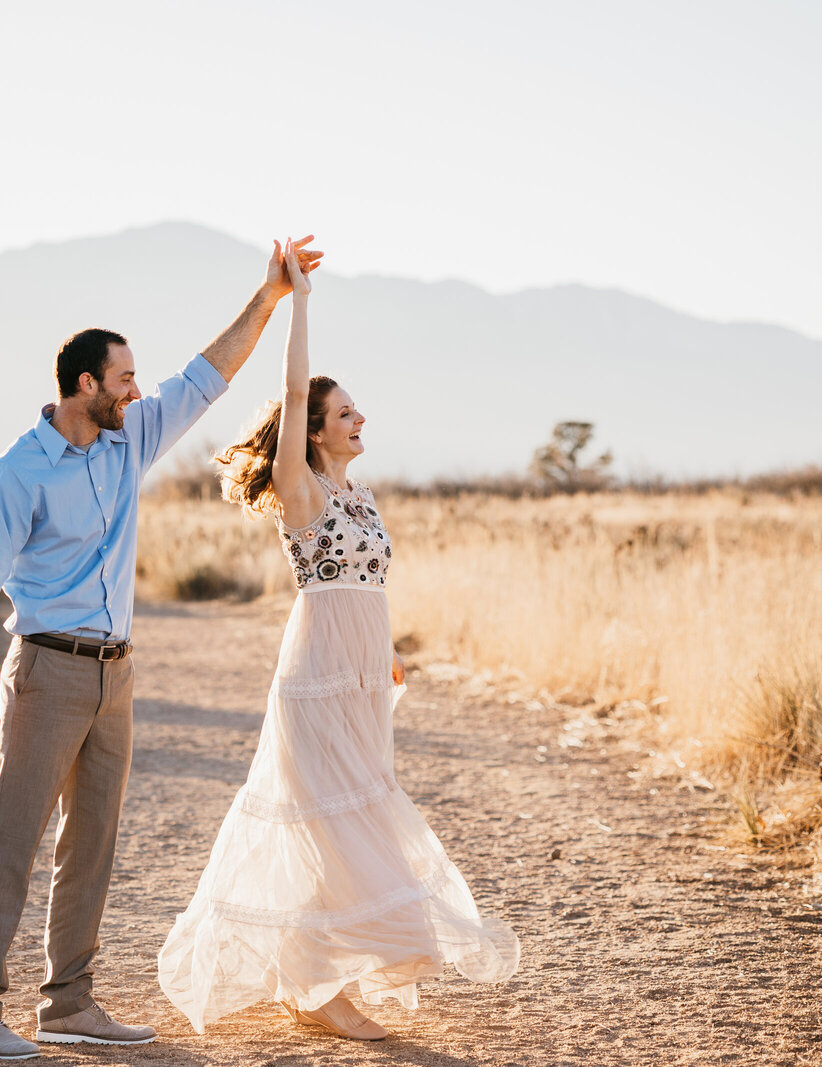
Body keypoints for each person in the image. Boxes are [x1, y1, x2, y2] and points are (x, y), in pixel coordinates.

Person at [0, 238, 324, 1060]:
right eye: (123, 379)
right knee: (14, 837)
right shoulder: (17, 473)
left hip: (116, 673)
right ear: (87, 386)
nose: (137, 390)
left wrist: (269, 298)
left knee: (95, 839)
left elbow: (206, 376)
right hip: (44, 669)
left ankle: (68, 1002)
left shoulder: (129, 439)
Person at [157, 240, 520, 1040]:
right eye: (346, 412)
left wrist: (385, 654)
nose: (360, 419)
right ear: (313, 432)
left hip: (361, 675)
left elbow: (370, 587)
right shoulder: (303, 489)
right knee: (326, 820)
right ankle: (316, 984)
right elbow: (291, 387)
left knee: (348, 815)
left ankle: (313, 978)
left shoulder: (362, 494)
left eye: (358, 410)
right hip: (316, 672)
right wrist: (299, 303)